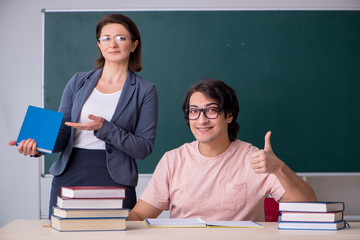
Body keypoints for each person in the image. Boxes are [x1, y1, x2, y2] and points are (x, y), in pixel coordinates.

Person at [9, 14, 158, 217]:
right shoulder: (78, 81)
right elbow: (62, 134)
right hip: (69, 174)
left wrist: (105, 128)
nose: (113, 43)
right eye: (106, 38)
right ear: (99, 45)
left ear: (133, 45)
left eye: (121, 38)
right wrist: (36, 146)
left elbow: (143, 148)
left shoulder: (145, 90)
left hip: (115, 178)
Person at [128, 78, 316, 221]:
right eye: (194, 111)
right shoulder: (173, 160)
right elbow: (139, 215)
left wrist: (279, 168)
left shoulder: (256, 159)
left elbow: (308, 206)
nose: (201, 120)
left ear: (228, 116)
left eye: (211, 110)